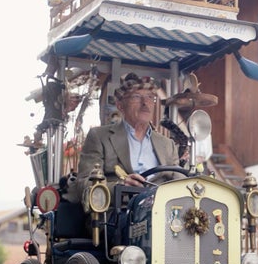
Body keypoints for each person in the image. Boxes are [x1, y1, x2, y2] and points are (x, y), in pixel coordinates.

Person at [75, 72, 181, 206]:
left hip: (161, 213)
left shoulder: (167, 144)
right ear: (120, 105)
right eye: (137, 97)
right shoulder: (100, 137)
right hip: (120, 215)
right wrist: (121, 187)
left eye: (150, 97)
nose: (145, 103)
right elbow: (83, 186)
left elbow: (180, 183)